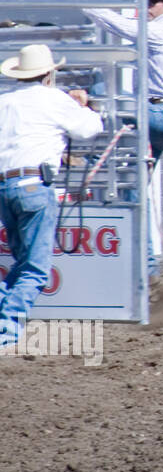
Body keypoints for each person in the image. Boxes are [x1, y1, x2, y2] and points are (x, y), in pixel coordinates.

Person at [0, 43, 103, 348]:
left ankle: (5, 320)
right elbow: (89, 129)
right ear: (49, 75)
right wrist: (84, 106)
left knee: (22, 261)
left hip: (4, 184)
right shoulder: (54, 99)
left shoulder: (5, 102)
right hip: (34, 184)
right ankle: (7, 332)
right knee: (34, 267)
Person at [51, 0, 163, 157]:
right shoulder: (157, 29)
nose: (146, 6)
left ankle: (79, 152)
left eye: (152, 1)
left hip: (161, 112)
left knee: (105, 101)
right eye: (144, 1)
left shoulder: (156, 30)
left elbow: (114, 23)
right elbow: (112, 21)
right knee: (137, 170)